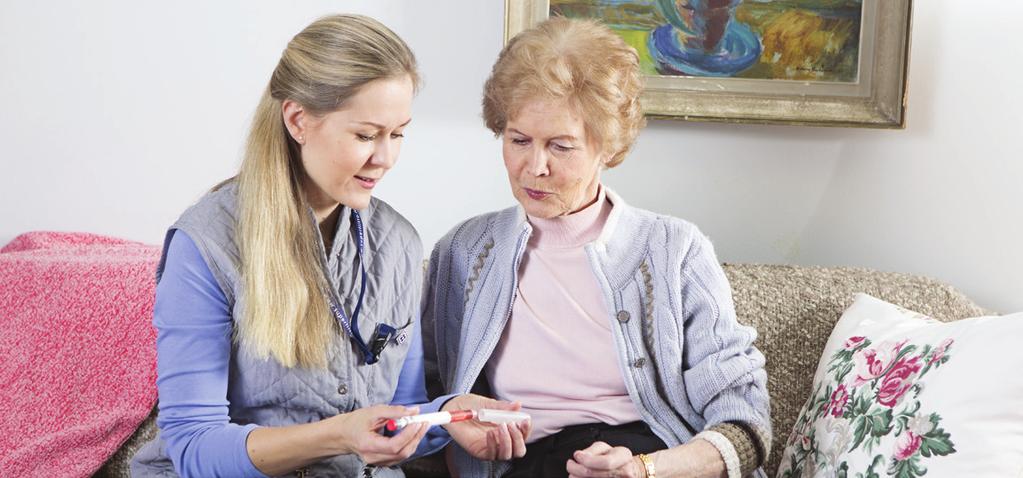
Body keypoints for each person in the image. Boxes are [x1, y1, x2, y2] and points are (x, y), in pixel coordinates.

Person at [130, 14, 529, 478]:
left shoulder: (398, 242)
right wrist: (340, 434)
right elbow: (195, 448)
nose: (386, 159)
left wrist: (450, 416)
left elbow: (401, 412)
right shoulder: (208, 244)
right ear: (298, 120)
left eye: (397, 133)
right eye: (365, 135)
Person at [421, 17, 771, 478]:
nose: (534, 167)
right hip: (528, 465)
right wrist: (453, 414)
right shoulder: (464, 252)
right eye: (519, 140)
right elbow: (417, 402)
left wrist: (645, 470)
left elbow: (746, 423)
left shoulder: (674, 250)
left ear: (607, 146)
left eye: (561, 146)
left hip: (652, 458)